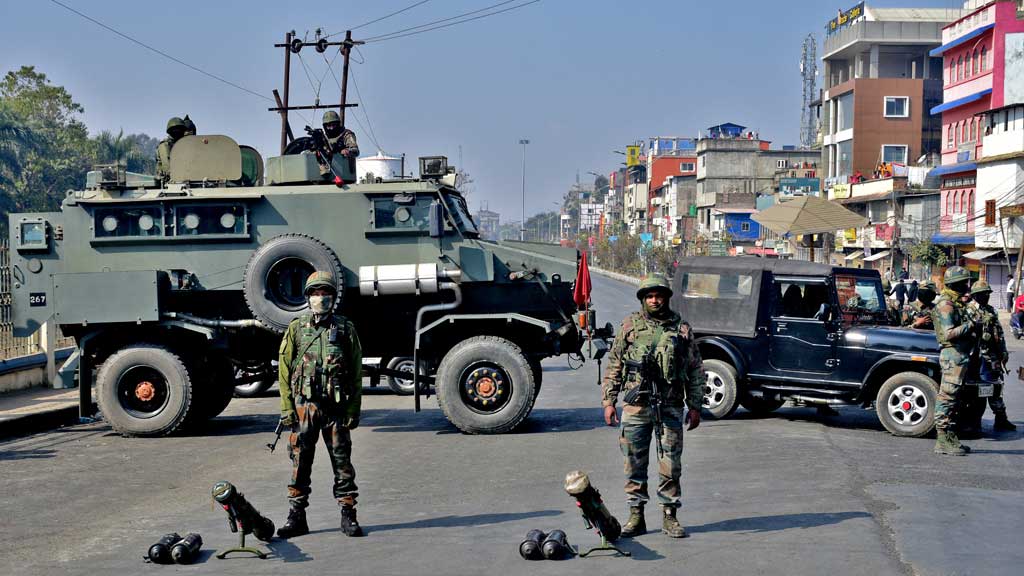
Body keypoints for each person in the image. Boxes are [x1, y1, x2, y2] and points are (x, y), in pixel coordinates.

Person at [601, 274, 704, 539]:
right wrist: (609, 401)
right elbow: (615, 364)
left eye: (659, 295)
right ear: (643, 299)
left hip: (669, 405)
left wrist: (695, 406)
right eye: (649, 296)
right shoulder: (629, 326)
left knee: (670, 463)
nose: (655, 300)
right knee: (633, 461)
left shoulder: (681, 329)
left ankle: (670, 515)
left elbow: (694, 369)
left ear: (667, 297)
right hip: (636, 405)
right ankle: (636, 515)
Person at [277, 271, 364, 538]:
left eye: (325, 292)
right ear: (307, 297)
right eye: (315, 293)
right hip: (304, 408)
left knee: (342, 463)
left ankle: (348, 515)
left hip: (336, 410)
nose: (320, 297)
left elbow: (357, 371)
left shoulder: (346, 329)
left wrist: (353, 409)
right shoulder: (296, 329)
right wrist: (287, 408)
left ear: (333, 297)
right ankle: (297, 516)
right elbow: (284, 368)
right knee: (300, 463)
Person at [930, 266, 980, 456]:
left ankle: (950, 435)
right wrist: (971, 324)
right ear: (956, 283)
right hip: (953, 354)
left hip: (960, 354)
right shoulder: (946, 305)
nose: (967, 285)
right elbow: (949, 333)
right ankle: (942, 439)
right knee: (947, 396)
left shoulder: (956, 302)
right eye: (964, 282)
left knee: (956, 398)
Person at [964, 281, 1016, 433]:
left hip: (991, 356)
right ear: (975, 296)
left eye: (987, 293)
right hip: (975, 358)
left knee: (995, 387)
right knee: (975, 391)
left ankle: (1001, 419)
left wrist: (1003, 352)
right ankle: (974, 421)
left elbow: (998, 333)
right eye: (982, 294)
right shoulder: (968, 311)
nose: (986, 296)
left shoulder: (991, 310)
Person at [155, 117, 187, 182]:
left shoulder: (182, 144)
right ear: (170, 131)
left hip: (182, 178)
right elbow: (167, 167)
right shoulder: (164, 145)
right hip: (167, 180)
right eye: (175, 130)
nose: (178, 132)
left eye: (180, 130)